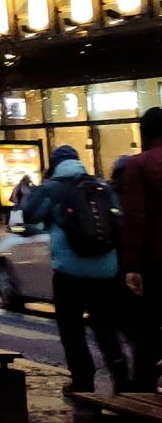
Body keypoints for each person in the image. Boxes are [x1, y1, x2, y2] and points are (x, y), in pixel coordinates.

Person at [22, 143, 132, 396]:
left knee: (71, 327)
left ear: (55, 164)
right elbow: (119, 221)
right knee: (105, 324)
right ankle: (121, 377)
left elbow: (29, 214)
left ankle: (82, 380)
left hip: (69, 271)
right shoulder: (101, 186)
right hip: (105, 269)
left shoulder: (52, 187)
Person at [112, 108, 162, 392]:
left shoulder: (138, 165)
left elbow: (135, 219)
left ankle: (144, 386)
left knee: (147, 326)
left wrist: (131, 265)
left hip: (155, 260)